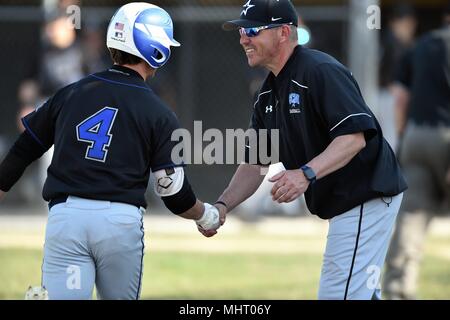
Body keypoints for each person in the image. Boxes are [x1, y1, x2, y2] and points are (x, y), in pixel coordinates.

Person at [0, 2, 223, 300]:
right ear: (156, 49)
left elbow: (22, 151)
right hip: (119, 222)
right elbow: (173, 192)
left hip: (66, 217)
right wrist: (205, 215)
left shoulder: (71, 93)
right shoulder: (158, 112)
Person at [209, 0, 407, 300]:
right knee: (359, 294)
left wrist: (305, 174)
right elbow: (255, 163)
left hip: (367, 193)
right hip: (348, 200)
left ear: (284, 32)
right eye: (241, 31)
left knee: (337, 295)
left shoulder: (320, 70)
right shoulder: (267, 94)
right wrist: (222, 206)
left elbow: (354, 137)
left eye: (252, 30)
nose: (243, 38)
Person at [383, 4, 450, 300]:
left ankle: (398, 290)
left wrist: (403, 135)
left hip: (417, 136)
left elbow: (399, 98)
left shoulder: (419, 46)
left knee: (411, 218)